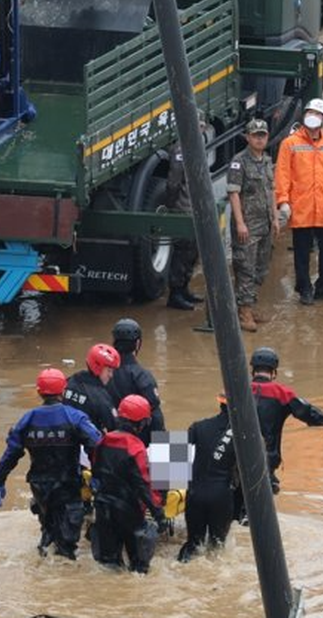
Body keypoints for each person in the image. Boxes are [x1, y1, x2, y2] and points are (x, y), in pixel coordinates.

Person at [0, 368, 101, 559]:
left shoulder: (27, 420)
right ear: (63, 391)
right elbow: (97, 446)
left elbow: (11, 454)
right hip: (68, 485)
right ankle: (65, 576)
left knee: (48, 528)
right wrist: (99, 476)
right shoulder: (74, 417)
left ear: (39, 391)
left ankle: (44, 563)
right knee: (67, 540)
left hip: (40, 487)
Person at [274, 98, 323, 305]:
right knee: (302, 252)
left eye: (317, 114)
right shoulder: (290, 144)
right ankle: (304, 288)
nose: (313, 117)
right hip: (301, 207)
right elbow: (283, 174)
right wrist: (283, 201)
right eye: (310, 113)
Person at [248, 347, 323, 493]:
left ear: (253, 371)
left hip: (235, 457)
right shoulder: (282, 394)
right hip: (265, 461)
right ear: (274, 372)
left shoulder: (236, 391)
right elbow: (309, 412)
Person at [90, 395, 168, 573]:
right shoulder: (136, 447)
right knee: (139, 567)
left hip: (103, 508)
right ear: (140, 423)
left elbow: (96, 471)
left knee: (109, 567)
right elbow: (144, 485)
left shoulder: (103, 440)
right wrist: (158, 513)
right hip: (128, 512)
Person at [227, 118, 278, 331]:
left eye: (262, 135)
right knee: (245, 268)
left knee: (261, 268)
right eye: (255, 135)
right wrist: (240, 223)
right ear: (247, 137)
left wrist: (275, 218)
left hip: (265, 224)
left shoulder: (266, 161)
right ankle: (244, 311)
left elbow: (271, 190)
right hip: (247, 225)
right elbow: (233, 193)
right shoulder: (239, 162)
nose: (259, 139)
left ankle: (250, 303)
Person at [177, 394, 237, 563]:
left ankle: (180, 566)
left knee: (193, 544)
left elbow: (169, 457)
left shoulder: (199, 426)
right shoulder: (244, 435)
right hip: (221, 497)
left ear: (220, 404)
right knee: (217, 547)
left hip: (195, 494)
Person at [165, 129, 205, 311]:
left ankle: (184, 288)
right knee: (183, 250)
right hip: (183, 207)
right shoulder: (182, 150)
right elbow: (173, 182)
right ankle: (175, 293)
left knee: (193, 251)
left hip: (195, 207)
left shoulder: (196, 145)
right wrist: (172, 205)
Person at [109, 318, 165, 438]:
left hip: (107, 438)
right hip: (137, 440)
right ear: (138, 343)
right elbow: (156, 419)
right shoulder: (142, 376)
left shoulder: (101, 372)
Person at [63, 343, 119, 433]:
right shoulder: (101, 398)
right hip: (88, 442)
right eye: (109, 371)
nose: (111, 375)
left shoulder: (70, 381)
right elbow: (114, 426)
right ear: (97, 367)